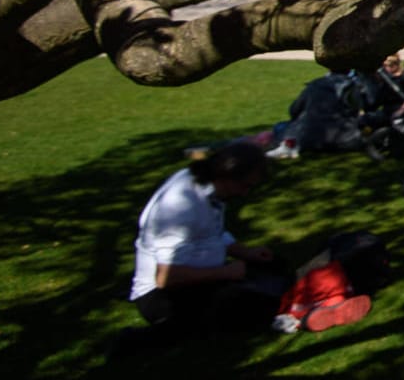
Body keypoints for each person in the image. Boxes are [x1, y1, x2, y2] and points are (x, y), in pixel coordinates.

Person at [123, 143, 295, 347]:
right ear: (227, 176)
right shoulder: (181, 205)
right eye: (245, 186)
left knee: (276, 266)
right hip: (163, 296)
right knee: (251, 305)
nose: (245, 193)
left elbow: (211, 234)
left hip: (201, 276)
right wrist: (226, 273)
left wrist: (246, 253)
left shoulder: (211, 191)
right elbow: (166, 278)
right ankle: (150, 336)